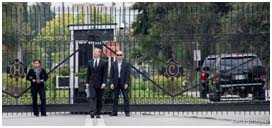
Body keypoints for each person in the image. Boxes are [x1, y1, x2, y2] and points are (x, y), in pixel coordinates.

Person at [86, 47, 108, 118]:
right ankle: (92, 111)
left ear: (99, 53)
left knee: (99, 98)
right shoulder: (90, 62)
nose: (94, 53)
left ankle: (98, 112)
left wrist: (104, 82)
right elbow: (88, 73)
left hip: (100, 83)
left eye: (96, 52)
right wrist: (87, 83)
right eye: (94, 52)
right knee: (92, 97)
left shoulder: (104, 62)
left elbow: (105, 74)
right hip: (92, 83)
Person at [110, 50, 131, 117]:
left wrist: (126, 83)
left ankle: (127, 112)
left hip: (123, 82)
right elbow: (111, 74)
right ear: (116, 56)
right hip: (116, 82)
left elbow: (128, 74)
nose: (119, 56)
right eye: (118, 55)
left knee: (126, 98)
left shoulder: (126, 64)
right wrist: (112, 83)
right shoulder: (113, 64)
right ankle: (114, 112)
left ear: (122, 56)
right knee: (115, 98)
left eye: (120, 55)